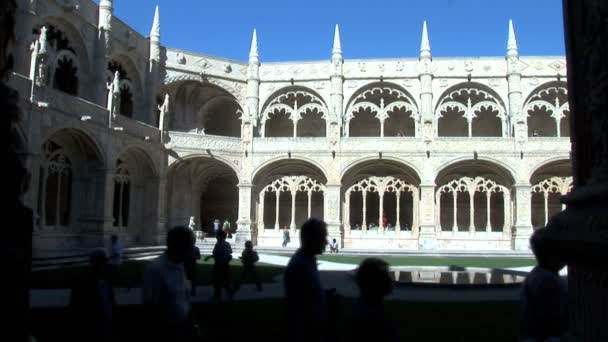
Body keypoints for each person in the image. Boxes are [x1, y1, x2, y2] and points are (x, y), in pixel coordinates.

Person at [142, 226, 200, 342]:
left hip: (183, 328)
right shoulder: (156, 269)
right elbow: (150, 308)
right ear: (177, 245)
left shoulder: (180, 265)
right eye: (188, 247)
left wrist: (193, 325)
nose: (190, 252)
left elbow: (184, 300)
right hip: (166, 332)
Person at [284, 218, 338, 342]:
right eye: (322, 236)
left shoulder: (308, 260)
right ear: (312, 238)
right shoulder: (300, 265)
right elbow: (301, 306)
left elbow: (307, 295)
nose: (325, 242)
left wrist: (324, 296)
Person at [520, 227, 568, 341]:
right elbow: (550, 317)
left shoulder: (536, 275)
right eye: (563, 251)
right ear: (552, 255)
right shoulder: (548, 280)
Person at [346, 258, 398, 342]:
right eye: (385, 276)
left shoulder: (360, 308)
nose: (390, 280)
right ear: (377, 282)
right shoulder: (375, 317)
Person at [69, 249, 115, 342]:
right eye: (101, 262)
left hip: (103, 323)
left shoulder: (105, 278)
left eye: (104, 262)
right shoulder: (83, 280)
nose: (104, 265)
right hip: (92, 324)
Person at [205, 229, 233, 301]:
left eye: (217, 235)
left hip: (222, 266)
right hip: (218, 264)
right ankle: (218, 295)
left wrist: (221, 261)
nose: (216, 236)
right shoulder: (218, 243)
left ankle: (225, 294)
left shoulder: (225, 244)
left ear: (221, 236)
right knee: (217, 281)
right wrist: (210, 257)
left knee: (222, 281)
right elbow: (216, 254)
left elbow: (227, 254)